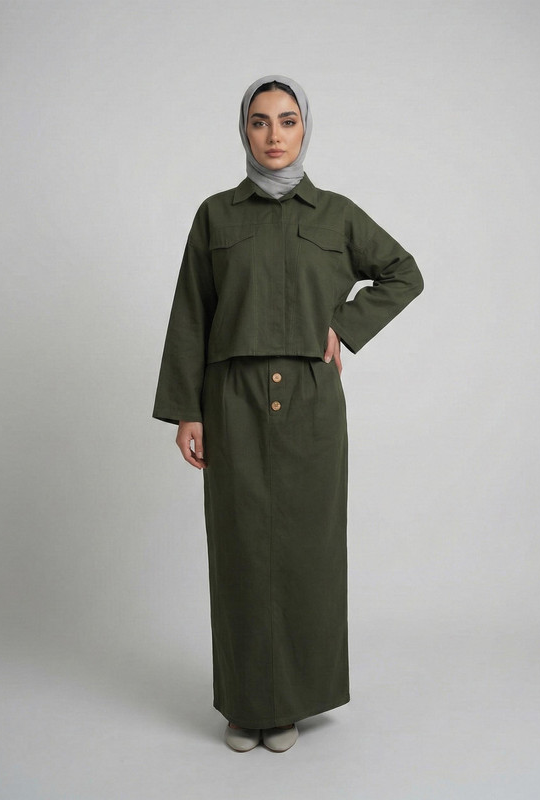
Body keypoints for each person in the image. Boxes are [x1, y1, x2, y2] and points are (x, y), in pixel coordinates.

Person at [153, 75, 423, 753]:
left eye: (288, 120)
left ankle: (293, 704)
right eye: (260, 121)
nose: (274, 134)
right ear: (243, 131)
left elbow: (404, 272)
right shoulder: (216, 216)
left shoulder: (336, 215)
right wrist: (188, 410)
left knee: (307, 553)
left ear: (305, 129)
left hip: (310, 402)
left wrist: (346, 327)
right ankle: (246, 705)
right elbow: (191, 311)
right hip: (232, 399)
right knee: (241, 552)